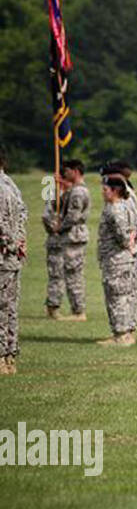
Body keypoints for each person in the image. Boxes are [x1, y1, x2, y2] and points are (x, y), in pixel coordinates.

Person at [42, 159, 90, 321]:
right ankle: (54, 306)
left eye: (67, 171)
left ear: (75, 171)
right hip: (64, 238)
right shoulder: (70, 190)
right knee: (59, 273)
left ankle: (78, 311)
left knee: (73, 274)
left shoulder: (78, 192)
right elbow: (54, 207)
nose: (64, 173)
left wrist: (58, 228)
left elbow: (72, 216)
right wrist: (56, 188)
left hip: (72, 237)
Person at [95, 175, 137, 347]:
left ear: (115, 191)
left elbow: (122, 235)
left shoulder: (115, 209)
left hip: (116, 259)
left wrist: (127, 243)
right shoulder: (124, 206)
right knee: (123, 296)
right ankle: (125, 333)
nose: (103, 193)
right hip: (121, 258)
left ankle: (121, 335)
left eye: (106, 190)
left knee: (116, 297)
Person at [0, 148, 26, 375]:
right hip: (13, 255)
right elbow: (24, 215)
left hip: (5, 255)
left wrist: (11, 243)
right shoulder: (12, 185)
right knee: (9, 308)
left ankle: (3, 358)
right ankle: (9, 357)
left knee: (3, 308)